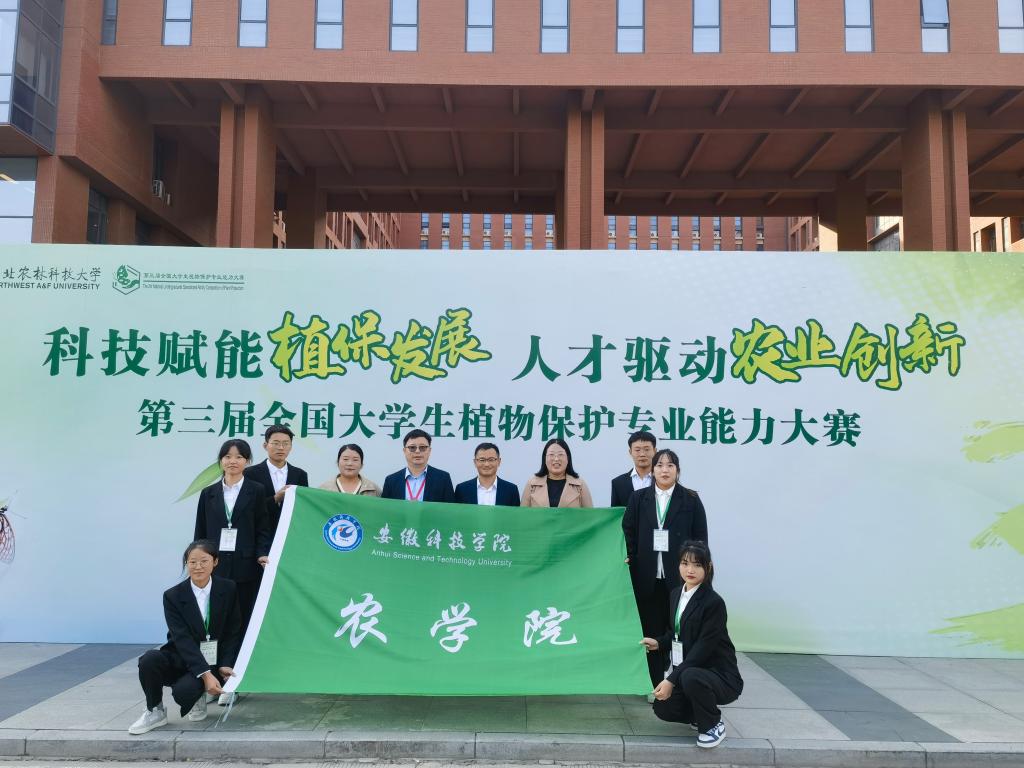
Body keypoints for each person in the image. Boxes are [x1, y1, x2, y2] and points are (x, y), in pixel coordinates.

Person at [129, 540, 242, 735]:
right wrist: (205, 674)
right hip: (181, 655)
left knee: (184, 693)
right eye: (192, 562)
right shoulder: (172, 596)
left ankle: (197, 695)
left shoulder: (228, 588)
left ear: (215, 562)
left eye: (204, 561)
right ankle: (155, 710)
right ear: (186, 564)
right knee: (149, 660)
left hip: (211, 658)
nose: (198, 567)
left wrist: (225, 663)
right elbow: (182, 638)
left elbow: (233, 630)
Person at [641, 541, 742, 749]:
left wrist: (671, 680)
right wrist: (659, 643)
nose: (690, 570)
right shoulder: (676, 594)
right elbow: (677, 633)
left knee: (690, 676)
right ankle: (699, 714)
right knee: (663, 707)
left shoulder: (713, 603)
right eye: (685, 563)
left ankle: (713, 725)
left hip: (720, 676)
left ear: (708, 567)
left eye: (697, 565)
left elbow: (702, 650)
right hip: (692, 673)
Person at [622, 448, 709, 687]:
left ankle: (681, 681)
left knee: (681, 630)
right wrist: (631, 557)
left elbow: (700, 538)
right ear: (652, 470)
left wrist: (696, 570)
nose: (664, 470)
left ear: (677, 471)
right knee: (651, 631)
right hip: (647, 577)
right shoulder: (639, 498)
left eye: (670, 465)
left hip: (680, 579)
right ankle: (654, 684)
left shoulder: (690, 499)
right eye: (659, 465)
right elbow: (628, 531)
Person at [195, 439, 271, 634]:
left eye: (239, 457)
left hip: (246, 564)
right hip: (216, 564)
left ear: (247, 461)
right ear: (221, 461)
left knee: (244, 613)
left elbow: (262, 528)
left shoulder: (257, 490)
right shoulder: (208, 493)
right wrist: (199, 560)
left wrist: (262, 553)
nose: (233, 461)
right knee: (217, 613)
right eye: (227, 456)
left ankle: (241, 652)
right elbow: (200, 530)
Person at [244, 425, 309, 538]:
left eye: (286, 443)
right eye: (276, 443)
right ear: (265, 445)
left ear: (291, 446)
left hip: (290, 536)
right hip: (259, 536)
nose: (281, 448)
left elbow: (303, 508)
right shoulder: (250, 473)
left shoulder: (300, 475)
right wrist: (275, 498)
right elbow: (247, 508)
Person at [380, 429, 456, 502]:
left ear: (429, 450)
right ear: (404, 451)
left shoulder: (443, 478)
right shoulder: (391, 481)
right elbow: (385, 509)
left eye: (422, 447)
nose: (417, 451)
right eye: (412, 447)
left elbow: (450, 509)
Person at [521, 439, 593, 508]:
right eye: (551, 454)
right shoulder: (532, 484)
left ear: (568, 458)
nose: (556, 459)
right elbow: (523, 514)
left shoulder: (579, 485)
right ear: (545, 458)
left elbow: (589, 514)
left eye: (560, 454)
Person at [454, 442, 520, 506]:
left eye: (491, 460)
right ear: (475, 462)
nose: (486, 464)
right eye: (482, 460)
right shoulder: (462, 489)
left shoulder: (511, 490)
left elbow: (515, 513)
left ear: (499, 461)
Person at [610, 431, 657, 507]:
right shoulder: (618, 483)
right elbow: (616, 513)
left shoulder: (663, 479)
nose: (642, 454)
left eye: (646, 449)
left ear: (655, 451)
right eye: (637, 450)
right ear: (630, 452)